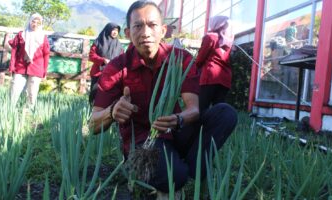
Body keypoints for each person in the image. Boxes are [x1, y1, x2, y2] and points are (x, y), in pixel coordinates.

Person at [88, 0, 237, 196]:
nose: (145, 33)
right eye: (138, 26)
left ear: (163, 30)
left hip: (174, 129)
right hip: (143, 140)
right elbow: (93, 125)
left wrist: (179, 118)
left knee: (225, 114)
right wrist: (111, 111)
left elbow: (193, 109)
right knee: (174, 176)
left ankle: (191, 169)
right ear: (127, 33)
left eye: (152, 25)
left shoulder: (180, 58)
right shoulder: (116, 67)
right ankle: (168, 170)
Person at [8, 13, 50, 111]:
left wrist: (44, 72)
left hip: (36, 68)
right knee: (15, 87)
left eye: (38, 23)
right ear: (30, 21)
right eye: (33, 22)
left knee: (32, 91)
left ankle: (28, 111)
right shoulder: (21, 34)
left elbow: (46, 55)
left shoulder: (43, 37)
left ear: (41, 24)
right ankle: (10, 109)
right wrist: (12, 67)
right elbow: (14, 51)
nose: (35, 24)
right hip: (20, 66)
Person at [195, 16, 234, 113]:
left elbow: (200, 59)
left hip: (210, 76)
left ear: (215, 24)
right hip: (225, 79)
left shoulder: (210, 37)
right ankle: (215, 128)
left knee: (201, 108)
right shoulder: (229, 41)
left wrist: (195, 68)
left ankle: (199, 128)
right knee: (218, 111)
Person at [88, 22, 123, 105]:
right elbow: (91, 55)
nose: (115, 32)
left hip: (112, 75)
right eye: (113, 30)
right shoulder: (99, 41)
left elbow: (122, 58)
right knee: (95, 93)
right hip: (98, 73)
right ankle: (93, 112)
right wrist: (102, 60)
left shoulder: (118, 45)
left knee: (108, 97)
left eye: (117, 31)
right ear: (108, 30)